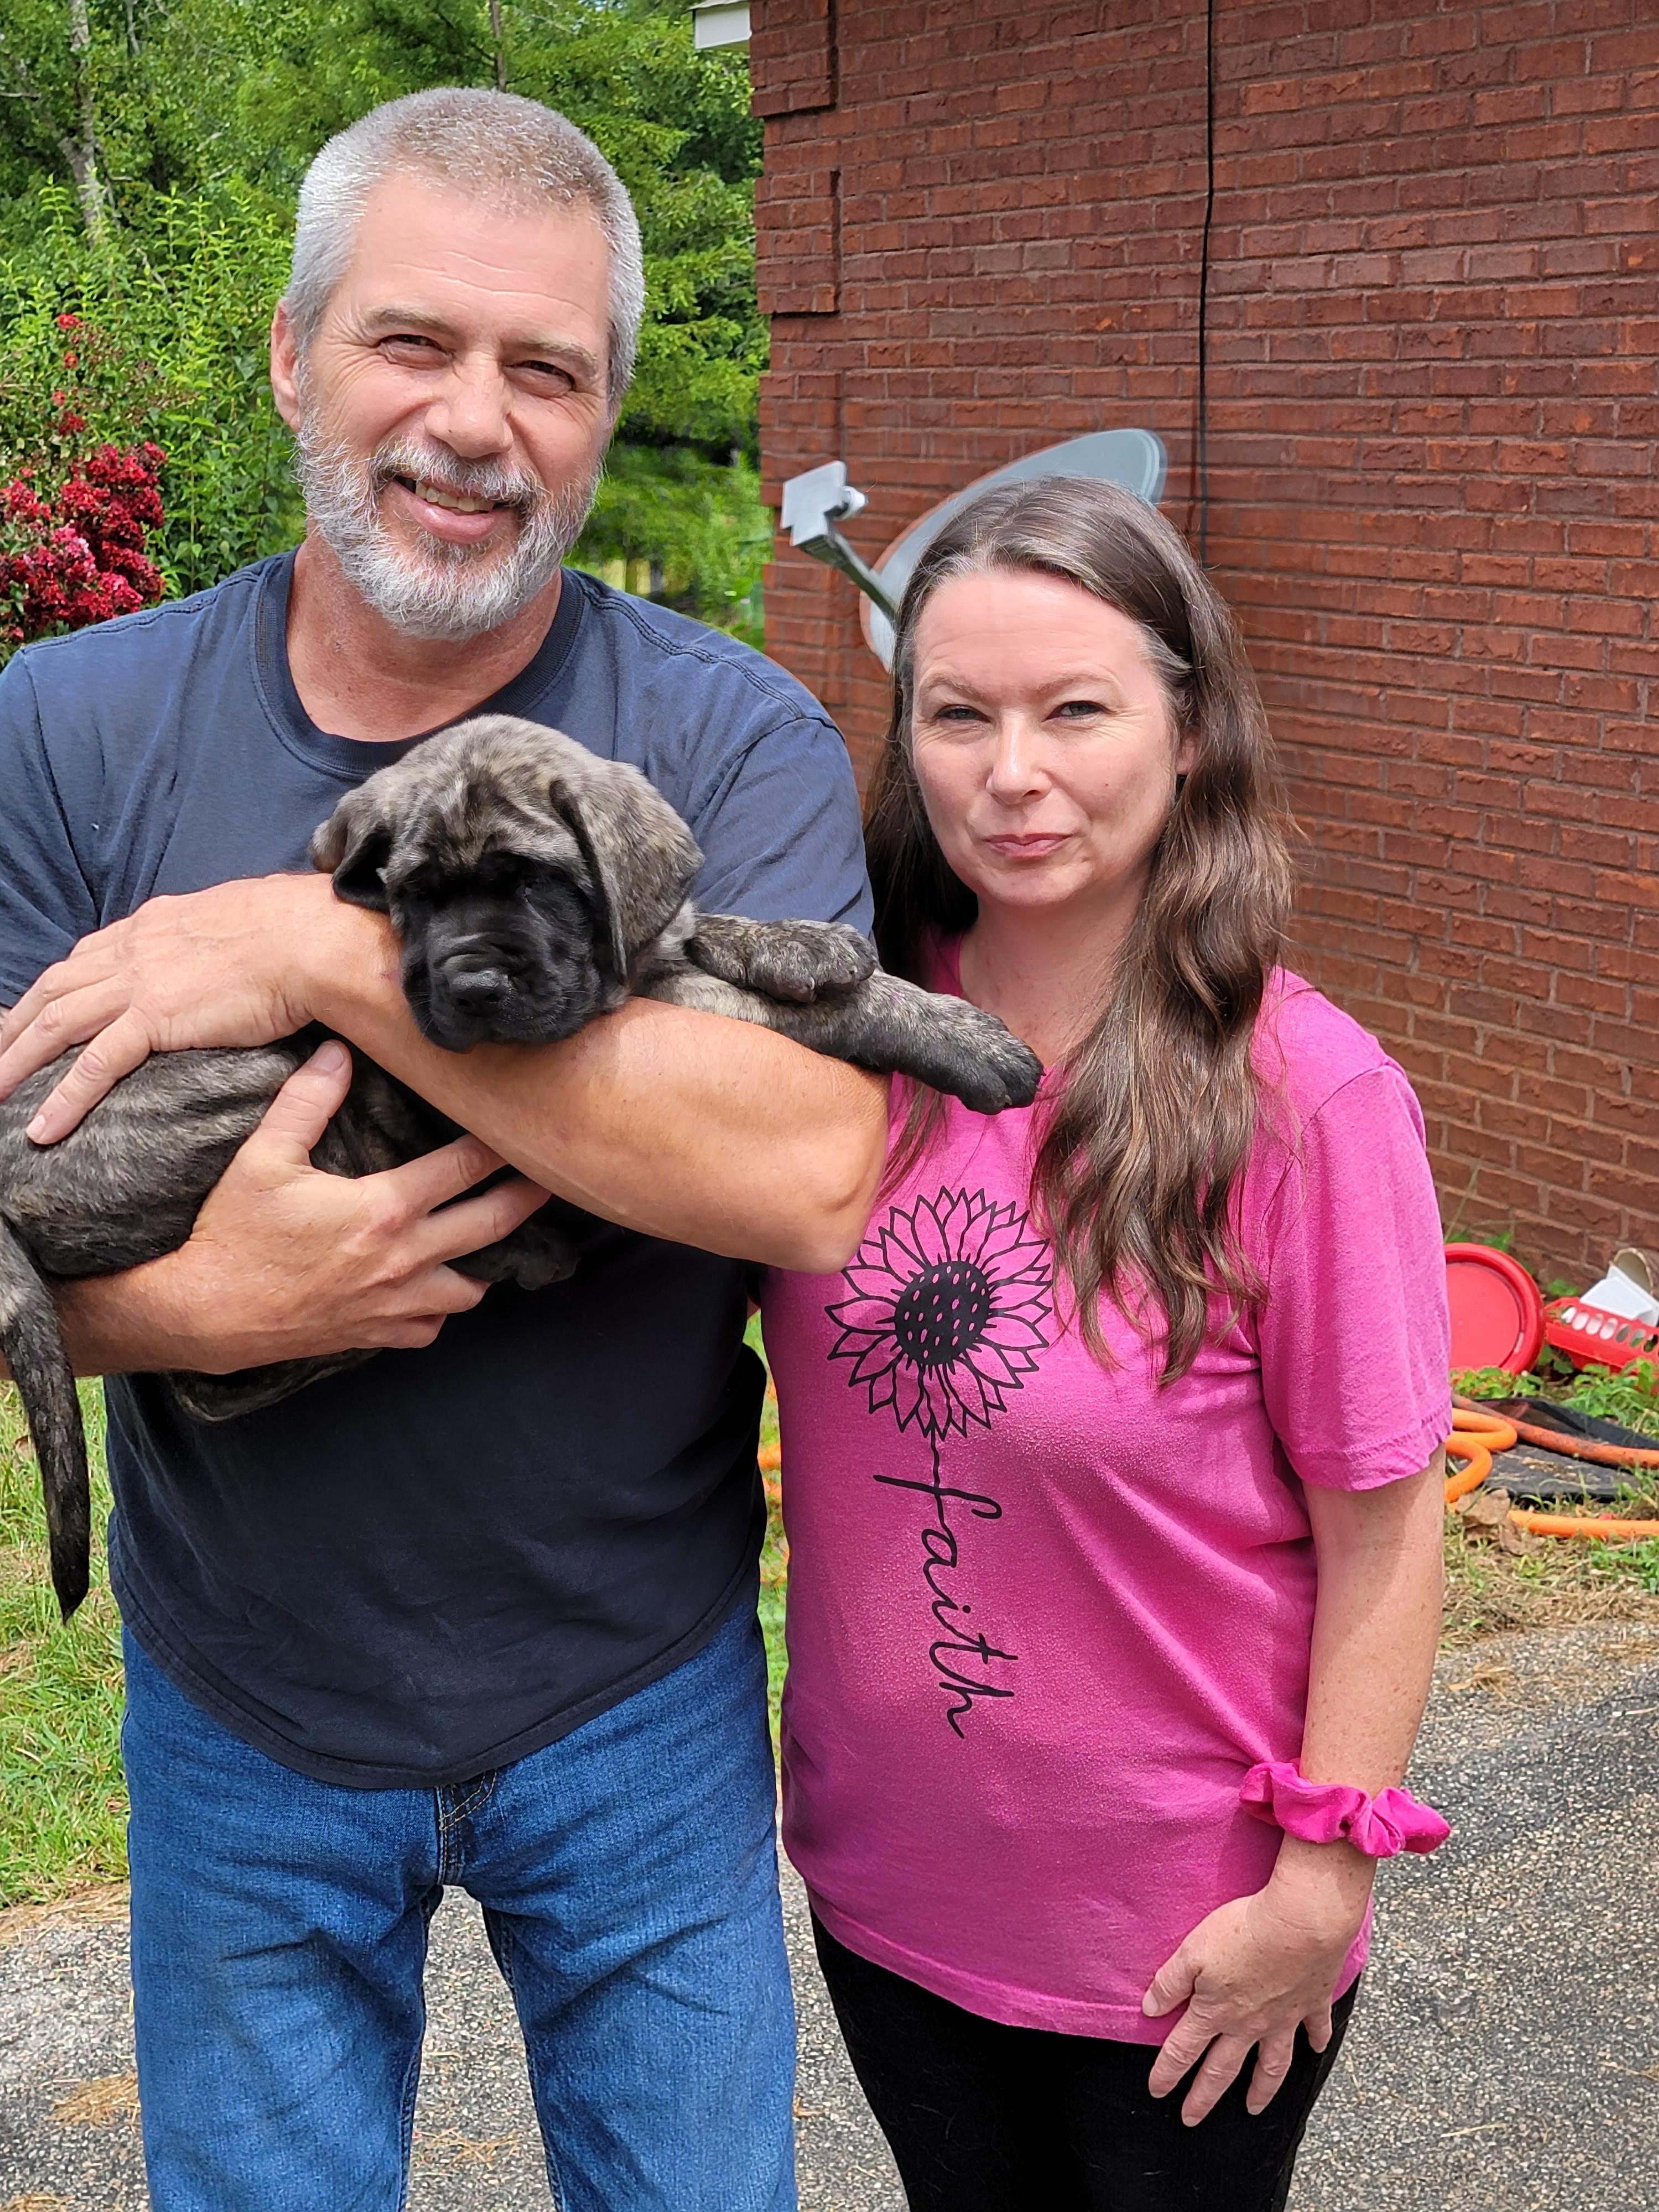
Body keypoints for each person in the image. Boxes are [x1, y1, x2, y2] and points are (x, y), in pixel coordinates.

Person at [0, 88, 888, 2212]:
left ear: (602, 416)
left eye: (546, 371)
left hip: (636, 1689)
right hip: (244, 1709)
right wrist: (193, 1309)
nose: (476, 423)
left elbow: (807, 1173)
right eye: (414, 341)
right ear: (293, 354)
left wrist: (325, 949)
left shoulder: (728, 737)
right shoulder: (71, 729)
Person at [757, 478, 1453, 2211]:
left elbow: (1385, 1525)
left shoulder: (1308, 1100)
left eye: (1076, 710)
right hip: (888, 1894)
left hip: (1182, 1947)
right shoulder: (834, 1042)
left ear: (1191, 733)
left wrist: (1323, 1883)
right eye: (958, 715)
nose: (1013, 773)